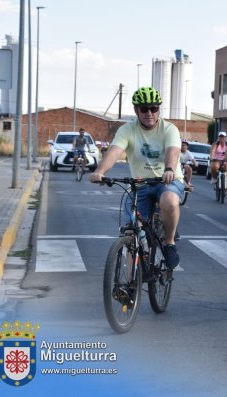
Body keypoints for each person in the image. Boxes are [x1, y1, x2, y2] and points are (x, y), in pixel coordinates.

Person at [89, 87, 184, 270]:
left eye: (154, 108)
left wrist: (169, 168)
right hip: (140, 184)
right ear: (136, 110)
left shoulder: (169, 129)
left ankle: (169, 242)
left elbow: (173, 150)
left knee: (169, 201)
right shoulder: (127, 130)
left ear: (158, 110)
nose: (149, 113)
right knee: (132, 231)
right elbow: (114, 152)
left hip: (167, 181)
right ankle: (131, 286)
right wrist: (100, 172)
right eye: (144, 109)